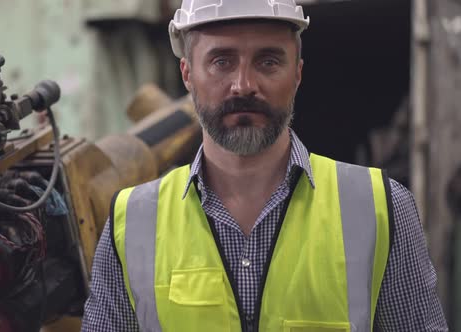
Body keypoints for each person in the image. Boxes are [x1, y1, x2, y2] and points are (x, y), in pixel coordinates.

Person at [82, 0, 448, 331]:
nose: (243, 85)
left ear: (298, 74)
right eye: (221, 61)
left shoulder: (380, 208)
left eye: (268, 61)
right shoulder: (132, 223)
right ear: (188, 74)